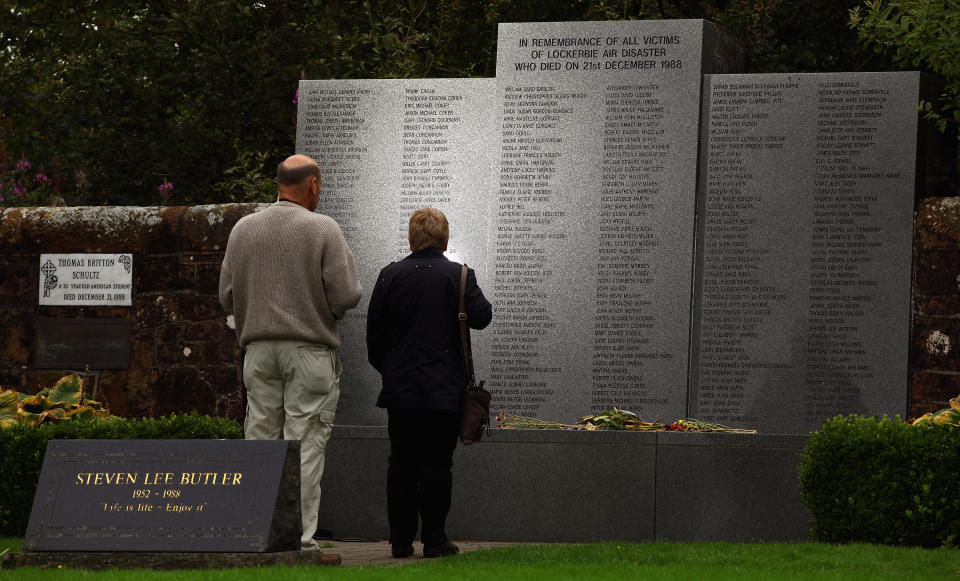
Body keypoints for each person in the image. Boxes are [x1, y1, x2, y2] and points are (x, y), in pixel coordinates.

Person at [219, 154, 362, 550]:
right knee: (306, 443)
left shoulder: (243, 229)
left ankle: (257, 532)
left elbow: (226, 296)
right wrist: (326, 311)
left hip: (258, 351)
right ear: (313, 184)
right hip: (308, 350)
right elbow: (347, 294)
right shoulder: (322, 228)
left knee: (260, 441)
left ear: (278, 183)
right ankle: (297, 541)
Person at [366, 207, 492, 559]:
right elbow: (483, 317)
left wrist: (390, 370)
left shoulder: (390, 275)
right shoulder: (460, 275)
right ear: (445, 239)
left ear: (411, 239)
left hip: (401, 389)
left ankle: (401, 541)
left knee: (401, 462)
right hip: (444, 391)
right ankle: (435, 541)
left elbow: (373, 334)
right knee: (438, 464)